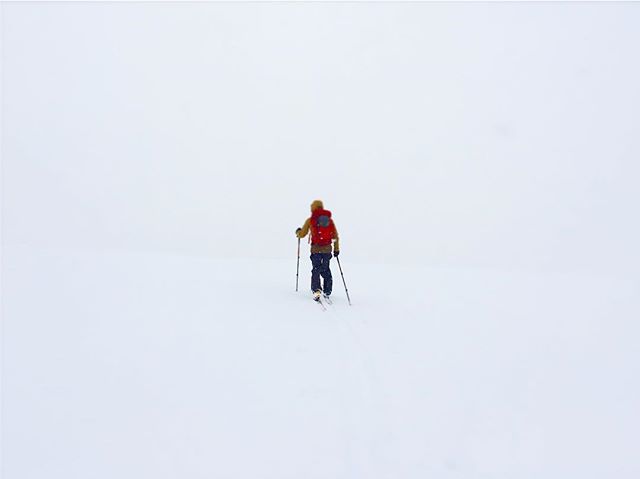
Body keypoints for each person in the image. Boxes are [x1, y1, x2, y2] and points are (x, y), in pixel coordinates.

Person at [296, 200, 340, 301]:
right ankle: (327, 290)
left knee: (316, 269)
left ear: (313, 208)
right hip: (327, 250)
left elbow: (302, 234)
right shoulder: (330, 221)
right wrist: (336, 249)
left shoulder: (311, 220)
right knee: (326, 268)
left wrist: (298, 233)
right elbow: (335, 236)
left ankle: (316, 290)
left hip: (315, 249)